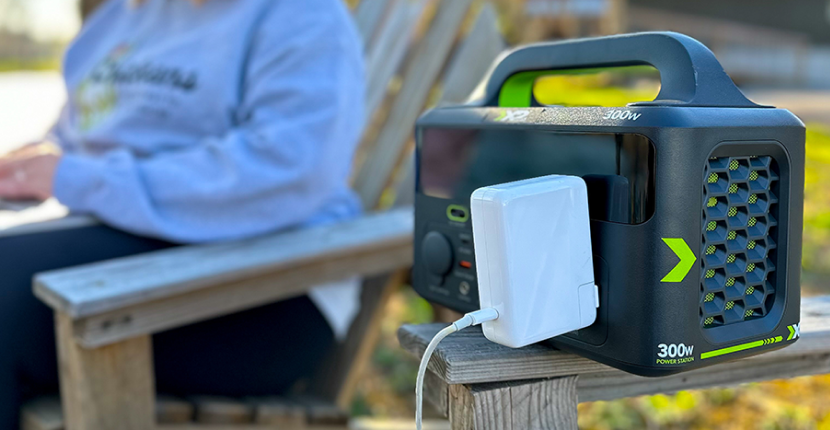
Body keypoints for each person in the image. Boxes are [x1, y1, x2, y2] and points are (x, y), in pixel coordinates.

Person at [0, 0, 365, 426]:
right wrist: (33, 169)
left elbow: (287, 171)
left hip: (264, 284)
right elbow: (81, 140)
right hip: (120, 252)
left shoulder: (300, 15)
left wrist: (80, 178)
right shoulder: (121, 17)